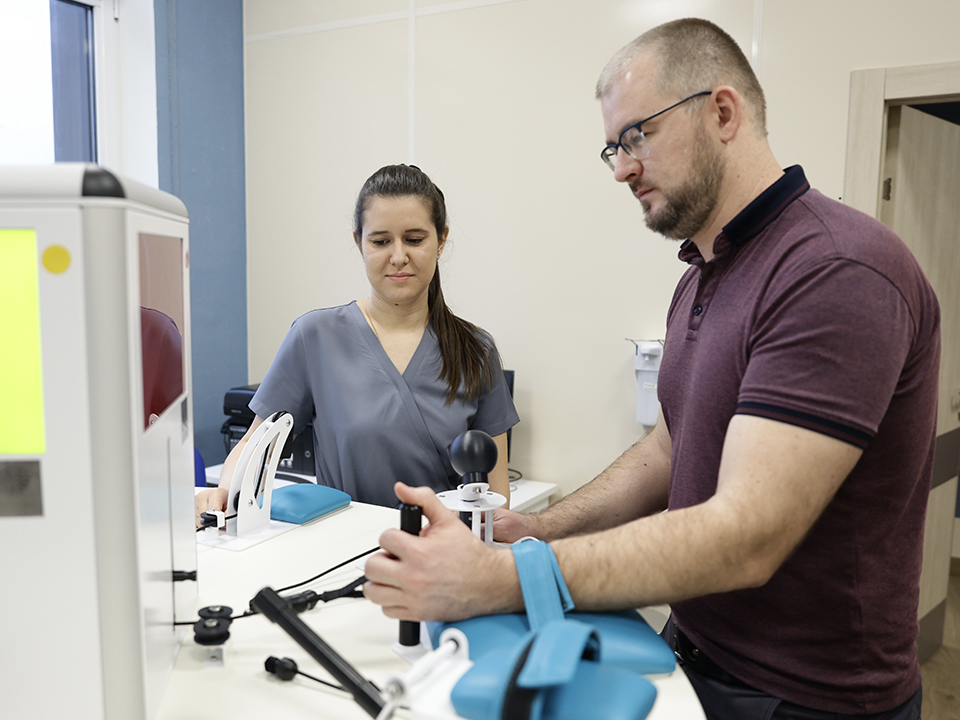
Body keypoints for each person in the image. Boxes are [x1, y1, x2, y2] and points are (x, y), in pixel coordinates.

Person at [363, 19, 939, 720]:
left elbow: (747, 536)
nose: (622, 169)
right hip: (693, 653)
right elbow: (668, 449)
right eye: (613, 147)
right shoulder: (701, 275)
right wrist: (541, 531)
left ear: (722, 112)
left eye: (638, 135)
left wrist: (508, 576)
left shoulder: (834, 270)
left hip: (806, 697)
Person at [196, 164, 519, 516]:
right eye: (380, 241)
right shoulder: (315, 337)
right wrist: (225, 492)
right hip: (343, 546)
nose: (399, 257)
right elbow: (255, 444)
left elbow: (495, 499)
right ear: (359, 243)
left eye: (414, 240)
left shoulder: (475, 351)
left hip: (441, 545)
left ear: (441, 240)